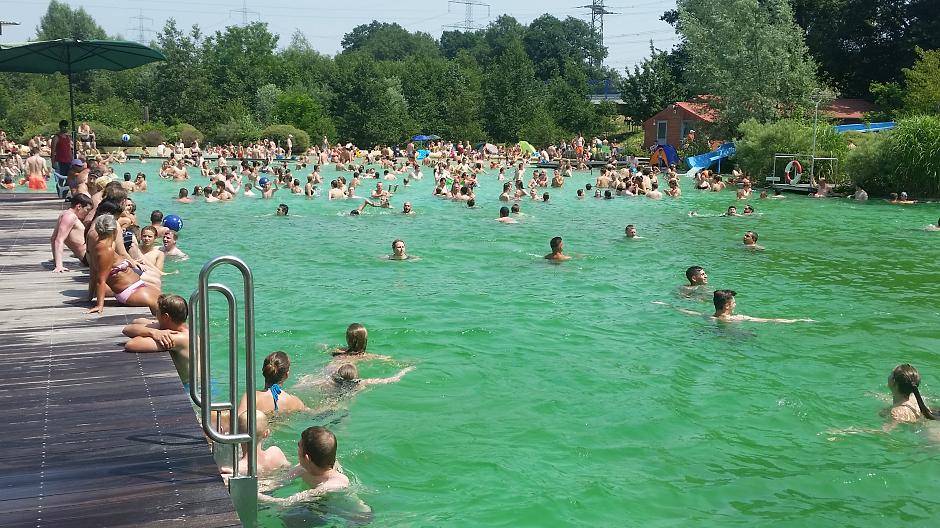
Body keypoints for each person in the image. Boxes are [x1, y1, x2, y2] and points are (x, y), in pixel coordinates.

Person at [88, 214, 161, 315]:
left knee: (165, 299)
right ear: (115, 231)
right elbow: (100, 280)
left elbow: (93, 273)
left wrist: (89, 297)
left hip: (134, 286)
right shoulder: (106, 250)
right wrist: (99, 305)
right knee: (163, 304)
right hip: (129, 291)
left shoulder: (105, 245)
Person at [257, 426, 349, 505]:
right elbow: (277, 482)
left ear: (307, 458)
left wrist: (259, 497)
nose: (297, 449)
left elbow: (286, 502)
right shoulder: (303, 469)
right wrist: (255, 487)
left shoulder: (335, 483)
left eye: (299, 445)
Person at [122, 294, 191, 385]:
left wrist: (152, 331)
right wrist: (153, 332)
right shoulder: (181, 327)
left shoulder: (177, 337)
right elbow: (133, 325)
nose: (155, 316)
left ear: (166, 317)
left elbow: (131, 344)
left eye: (157, 312)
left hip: (194, 389)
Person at [221, 411, 290, 480]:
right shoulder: (276, 453)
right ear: (266, 433)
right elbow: (288, 471)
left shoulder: (238, 468)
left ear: (237, 433)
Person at [238, 351, 309, 416]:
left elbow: (237, 420)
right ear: (287, 375)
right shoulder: (294, 402)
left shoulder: (251, 397)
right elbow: (312, 413)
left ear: (264, 371)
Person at [883, 364, 936, 430]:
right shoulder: (915, 399)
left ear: (894, 382)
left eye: (891, 374)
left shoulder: (896, 412)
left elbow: (885, 432)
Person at [50, 194, 93, 272]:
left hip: (87, 257)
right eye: (87, 209)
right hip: (89, 257)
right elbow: (59, 240)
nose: (87, 213)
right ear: (79, 206)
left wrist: (56, 259)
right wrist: (59, 265)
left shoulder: (64, 214)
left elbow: (53, 238)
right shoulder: (70, 217)